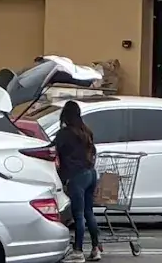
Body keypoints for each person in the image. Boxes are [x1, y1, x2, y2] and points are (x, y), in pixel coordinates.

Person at [54, 101, 102, 261]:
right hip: (90, 174)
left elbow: (52, 149)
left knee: (78, 214)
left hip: (76, 177)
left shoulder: (64, 134)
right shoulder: (86, 131)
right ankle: (96, 248)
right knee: (88, 212)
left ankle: (78, 251)